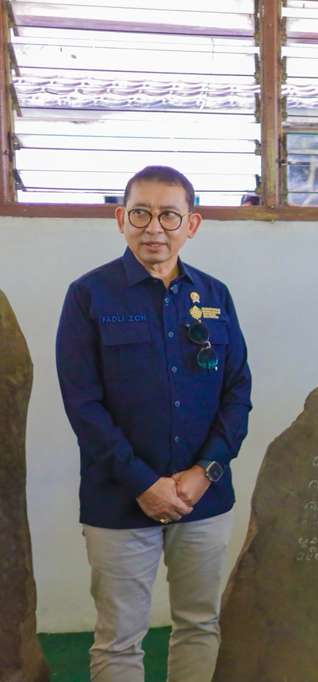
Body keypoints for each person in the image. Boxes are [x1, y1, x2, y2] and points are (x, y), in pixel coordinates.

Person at [56, 166, 252, 682]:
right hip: (119, 498)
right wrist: (143, 483)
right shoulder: (88, 296)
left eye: (169, 215)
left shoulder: (216, 295)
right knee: (119, 639)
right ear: (121, 219)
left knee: (199, 624)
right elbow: (83, 404)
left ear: (192, 224)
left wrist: (205, 471)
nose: (154, 228)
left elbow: (237, 394)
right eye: (141, 213)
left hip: (203, 496)